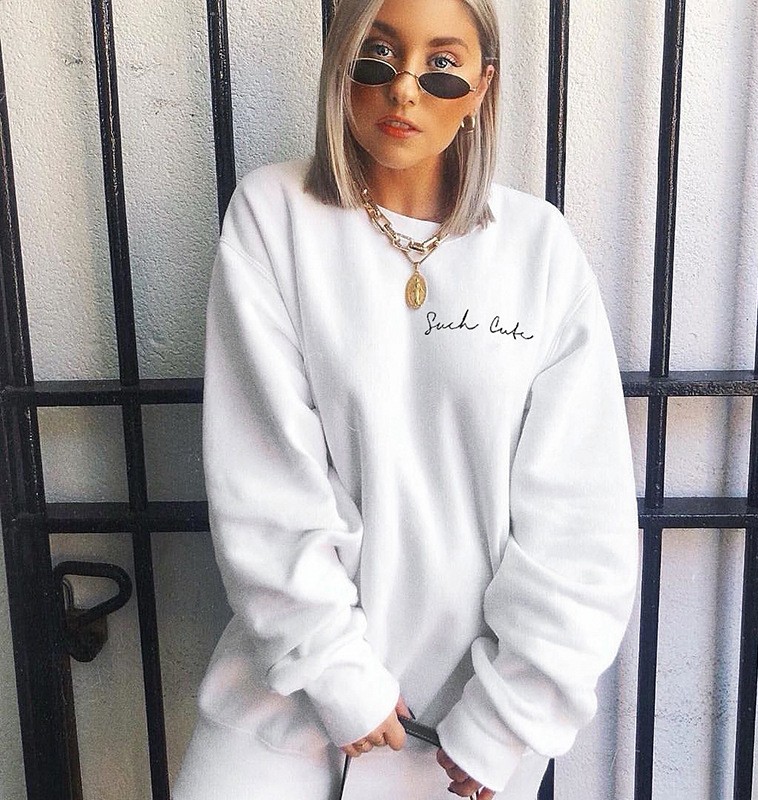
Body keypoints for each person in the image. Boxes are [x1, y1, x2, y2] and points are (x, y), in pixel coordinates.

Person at [172, 0, 639, 797]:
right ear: (341, 64)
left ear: (482, 87)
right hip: (283, 705)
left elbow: (582, 515)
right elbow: (261, 477)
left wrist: (511, 716)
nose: (405, 88)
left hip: (460, 732)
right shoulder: (274, 216)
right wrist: (335, 672)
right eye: (378, 55)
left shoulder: (539, 250)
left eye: (442, 64)